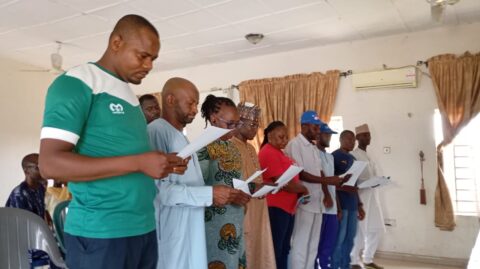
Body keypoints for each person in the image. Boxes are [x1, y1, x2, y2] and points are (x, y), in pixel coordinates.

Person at [39, 14, 187, 269]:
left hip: (142, 227)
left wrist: (161, 163)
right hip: (101, 233)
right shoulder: (76, 83)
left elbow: (124, 155)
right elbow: (50, 164)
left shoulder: (128, 95)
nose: (149, 65)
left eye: (153, 58)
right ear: (116, 43)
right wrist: (139, 162)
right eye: (143, 56)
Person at [148, 78, 249, 269]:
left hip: (191, 225)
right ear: (170, 100)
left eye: (196, 104)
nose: (195, 109)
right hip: (172, 229)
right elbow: (158, 190)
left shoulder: (181, 137)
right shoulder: (156, 131)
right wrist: (209, 194)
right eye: (190, 103)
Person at [197, 95, 251, 269]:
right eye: (230, 124)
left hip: (236, 219)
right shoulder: (203, 147)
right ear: (213, 119)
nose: (234, 130)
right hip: (214, 225)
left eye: (237, 124)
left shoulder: (231, 146)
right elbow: (197, 188)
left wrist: (245, 193)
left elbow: (236, 180)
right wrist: (227, 196)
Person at [286, 111, 345, 269]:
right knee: (300, 244)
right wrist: (326, 180)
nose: (318, 130)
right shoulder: (295, 145)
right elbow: (300, 173)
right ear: (304, 126)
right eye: (315, 127)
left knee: (312, 245)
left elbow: (319, 171)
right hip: (304, 202)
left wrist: (327, 189)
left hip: (318, 203)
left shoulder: (312, 147)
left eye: (319, 127)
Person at [231, 102, 276, 269]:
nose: (255, 130)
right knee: (246, 248)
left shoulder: (251, 148)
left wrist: (264, 186)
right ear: (239, 122)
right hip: (242, 208)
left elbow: (257, 177)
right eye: (252, 125)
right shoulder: (230, 146)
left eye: (257, 125)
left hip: (258, 206)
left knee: (259, 246)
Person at [258, 121, 309, 269]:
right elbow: (283, 183)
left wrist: (300, 190)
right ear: (270, 136)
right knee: (276, 249)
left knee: (284, 248)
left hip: (287, 208)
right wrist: (303, 189)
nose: (285, 140)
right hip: (276, 207)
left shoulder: (280, 152)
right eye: (281, 137)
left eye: (286, 137)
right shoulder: (268, 151)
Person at [350, 124, 385, 269]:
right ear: (357, 138)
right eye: (365, 135)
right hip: (361, 197)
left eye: (369, 134)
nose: (368, 137)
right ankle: (353, 261)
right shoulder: (353, 155)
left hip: (373, 196)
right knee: (360, 229)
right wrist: (368, 183)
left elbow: (373, 176)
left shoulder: (369, 156)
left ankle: (368, 259)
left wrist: (380, 181)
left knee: (377, 228)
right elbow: (352, 180)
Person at [331, 130, 365, 269]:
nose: (353, 142)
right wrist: (344, 189)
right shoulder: (334, 156)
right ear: (341, 139)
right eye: (350, 140)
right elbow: (331, 183)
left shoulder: (353, 159)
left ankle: (346, 265)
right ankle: (335, 265)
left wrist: (359, 205)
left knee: (350, 238)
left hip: (352, 205)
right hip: (341, 204)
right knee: (339, 239)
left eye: (354, 140)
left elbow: (354, 185)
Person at [315, 123, 340, 269]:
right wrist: (327, 195)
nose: (329, 137)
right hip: (321, 205)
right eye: (327, 134)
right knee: (317, 243)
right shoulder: (313, 153)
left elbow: (332, 183)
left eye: (330, 135)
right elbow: (320, 175)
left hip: (332, 207)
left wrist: (339, 206)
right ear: (318, 135)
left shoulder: (329, 157)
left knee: (329, 243)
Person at [6, 153, 47, 220]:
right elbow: (22, 223)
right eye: (37, 167)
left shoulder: (40, 187)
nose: (43, 170)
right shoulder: (19, 194)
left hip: (36, 227)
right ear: (26, 171)